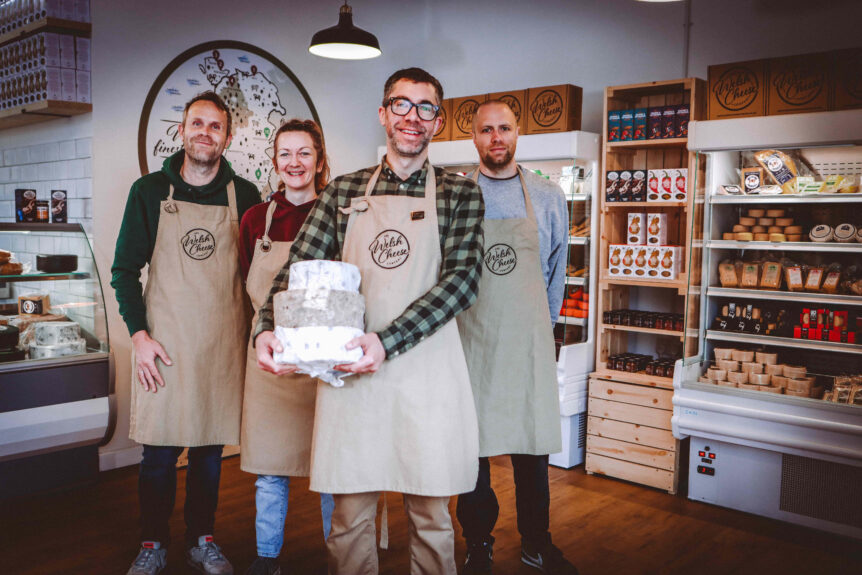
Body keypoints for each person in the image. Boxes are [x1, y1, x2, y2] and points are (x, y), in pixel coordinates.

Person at [254, 67, 484, 575]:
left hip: (427, 376)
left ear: (437, 122)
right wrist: (266, 327)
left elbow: (463, 282)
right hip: (351, 377)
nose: (412, 117)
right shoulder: (344, 190)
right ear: (383, 114)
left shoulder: (460, 194)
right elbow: (298, 270)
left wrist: (386, 340)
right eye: (401, 104)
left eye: (425, 107)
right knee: (349, 518)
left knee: (432, 517)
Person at [112, 91, 261, 575]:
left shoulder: (246, 196)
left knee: (209, 454)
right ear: (182, 131)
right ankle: (153, 543)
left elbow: (259, 274)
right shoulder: (150, 191)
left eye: (215, 126)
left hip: (221, 347)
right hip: (165, 347)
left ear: (227, 137)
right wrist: (139, 336)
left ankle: (202, 539)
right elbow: (124, 270)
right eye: (197, 123)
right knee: (158, 454)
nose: (205, 133)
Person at [455, 100, 578, 575]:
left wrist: (542, 328)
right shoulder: (458, 194)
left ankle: (536, 542)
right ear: (474, 137)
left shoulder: (547, 196)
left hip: (527, 343)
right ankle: (477, 543)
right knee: (474, 453)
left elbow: (556, 268)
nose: (496, 138)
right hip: (472, 342)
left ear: (517, 133)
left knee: (532, 449)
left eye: (504, 128)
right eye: (486, 130)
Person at [237, 119, 335, 575]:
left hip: (323, 360)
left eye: (304, 153)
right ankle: (267, 558)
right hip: (269, 355)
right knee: (269, 469)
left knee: (333, 468)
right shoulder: (255, 220)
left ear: (319, 160)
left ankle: (342, 557)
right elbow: (247, 286)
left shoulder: (338, 215)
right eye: (285, 154)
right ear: (275, 162)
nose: (294, 163)